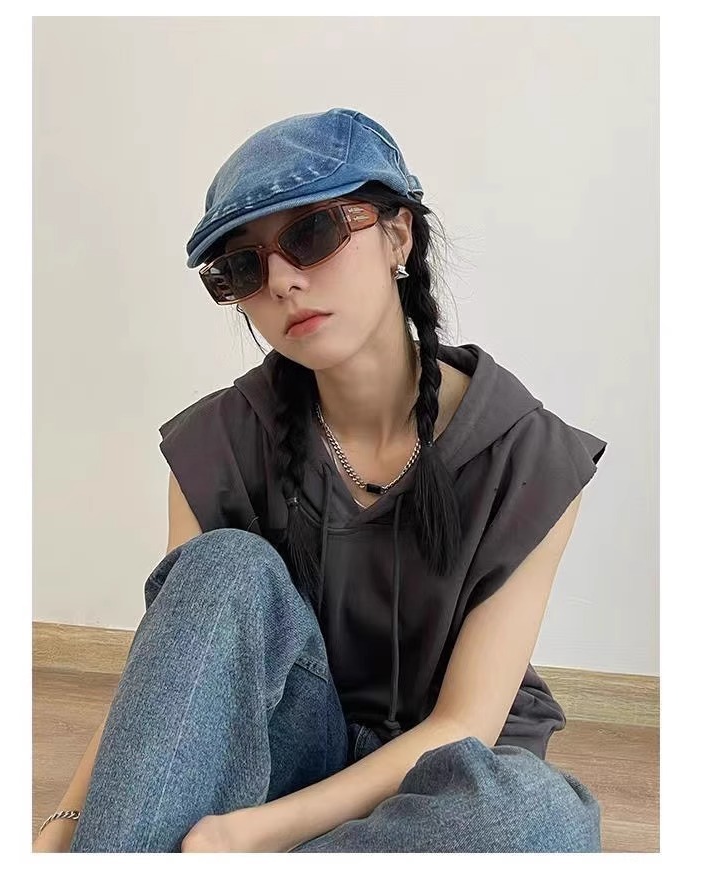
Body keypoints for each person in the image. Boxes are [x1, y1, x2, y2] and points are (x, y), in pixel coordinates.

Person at [36, 107, 607, 853]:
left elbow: (462, 724)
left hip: (435, 781)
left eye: (312, 234)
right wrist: (65, 826)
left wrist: (246, 835)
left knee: (539, 816)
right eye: (244, 268)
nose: (282, 281)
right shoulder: (217, 444)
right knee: (220, 566)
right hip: (283, 749)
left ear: (398, 235)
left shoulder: (525, 454)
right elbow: (170, 678)